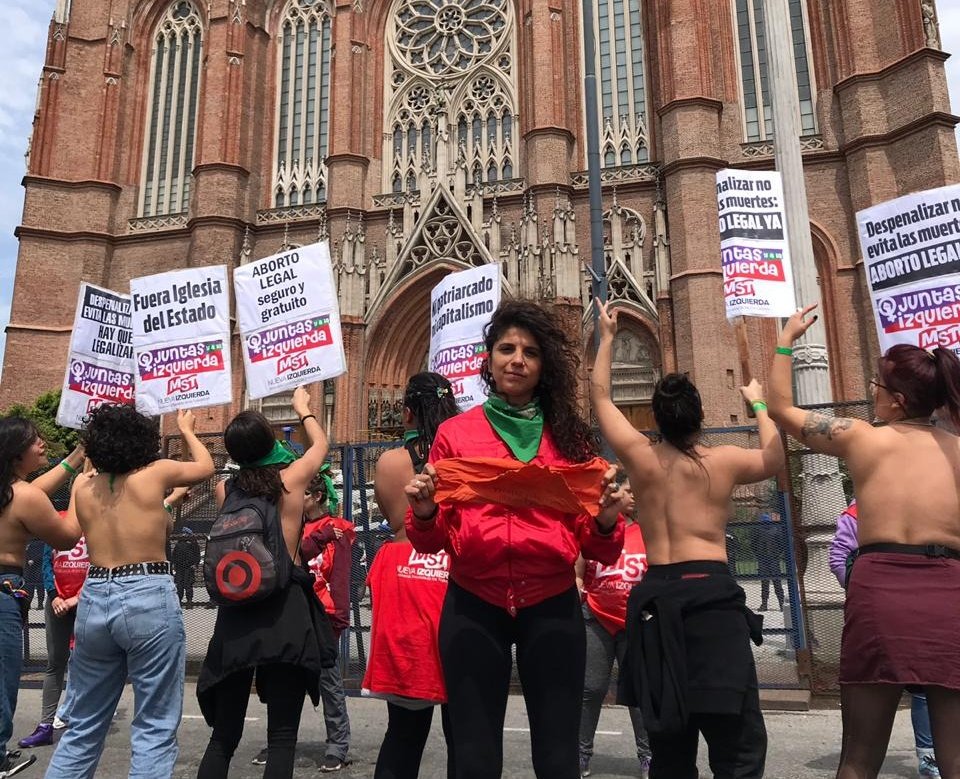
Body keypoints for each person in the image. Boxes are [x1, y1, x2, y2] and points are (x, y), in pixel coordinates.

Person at [405, 300, 631, 779]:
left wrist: (608, 520)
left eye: (530, 351)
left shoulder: (570, 439)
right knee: (471, 757)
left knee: (557, 756)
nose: (517, 359)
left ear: (543, 364)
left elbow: (599, 547)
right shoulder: (455, 434)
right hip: (473, 601)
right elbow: (434, 541)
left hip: (549, 602)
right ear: (488, 359)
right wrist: (423, 514)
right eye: (506, 348)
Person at [590, 299, 783, 779]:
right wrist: (757, 401)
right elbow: (775, 458)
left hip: (658, 595)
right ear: (698, 416)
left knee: (670, 747)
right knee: (737, 746)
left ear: (655, 418)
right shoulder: (723, 462)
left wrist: (608, 336)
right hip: (712, 597)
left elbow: (599, 400)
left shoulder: (643, 458)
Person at [768, 303, 960, 779]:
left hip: (881, 593)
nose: (871, 394)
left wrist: (786, 339)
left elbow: (778, 409)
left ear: (896, 400)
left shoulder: (862, 438)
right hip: (949, 593)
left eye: (876, 387)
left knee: (857, 760)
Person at [44, 406, 215, 779]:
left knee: (83, 725)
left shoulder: (82, 486)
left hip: (96, 591)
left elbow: (70, 533)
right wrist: (186, 430)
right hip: (147, 588)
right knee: (154, 724)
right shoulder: (155, 473)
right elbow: (206, 467)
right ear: (141, 440)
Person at [196, 386, 338, 779]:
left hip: (237, 616)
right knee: (282, 737)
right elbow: (322, 443)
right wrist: (303, 409)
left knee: (223, 738)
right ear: (271, 442)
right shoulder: (290, 482)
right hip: (285, 613)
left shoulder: (226, 490)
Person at [366, 371, 460, 779]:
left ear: (405, 412)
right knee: (465, 729)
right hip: (450, 568)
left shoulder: (388, 462)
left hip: (403, 569)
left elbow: (392, 514)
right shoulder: (458, 459)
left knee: (403, 730)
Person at [251, 467, 355, 772]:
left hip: (325, 613)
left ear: (317, 496)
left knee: (328, 681)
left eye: (303, 493)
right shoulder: (292, 526)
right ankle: (278, 742)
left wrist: (339, 612)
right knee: (285, 677)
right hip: (295, 612)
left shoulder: (339, 527)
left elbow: (329, 563)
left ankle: (338, 745)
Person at [829, 500, 940, 778]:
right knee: (874, 696)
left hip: (929, 608)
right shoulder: (862, 506)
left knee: (929, 688)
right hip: (881, 612)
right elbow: (838, 556)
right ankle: (928, 755)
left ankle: (928, 755)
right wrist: (865, 593)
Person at [0, 419, 83, 777]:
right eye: (36, 441)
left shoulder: (12, 490)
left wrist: (77, 456)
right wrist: (80, 491)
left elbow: (32, 490)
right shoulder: (26, 496)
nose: (44, 444)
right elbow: (66, 537)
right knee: (3, 677)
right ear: (18, 451)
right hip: (4, 589)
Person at [576, 477, 651, 778]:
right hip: (596, 615)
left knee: (641, 693)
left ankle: (648, 756)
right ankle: (580, 755)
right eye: (628, 490)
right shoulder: (595, 527)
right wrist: (577, 585)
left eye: (638, 491)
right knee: (590, 689)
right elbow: (578, 569)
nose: (633, 496)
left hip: (636, 621)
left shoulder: (647, 532)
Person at [17, 510, 90, 750]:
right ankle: (46, 725)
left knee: (88, 662)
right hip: (57, 602)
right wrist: (54, 595)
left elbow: (100, 562)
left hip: (88, 601)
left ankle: (84, 725)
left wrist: (78, 598)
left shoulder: (95, 519)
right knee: (55, 662)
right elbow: (47, 560)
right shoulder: (58, 519)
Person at [751, 511, 785, 611]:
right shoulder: (776, 529)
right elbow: (781, 544)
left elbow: (752, 544)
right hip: (773, 559)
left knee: (765, 583)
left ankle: (765, 604)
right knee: (776, 582)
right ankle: (781, 604)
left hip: (764, 559)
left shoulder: (758, 530)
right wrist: (777, 554)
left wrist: (758, 555)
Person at [171, 527, 201, 607]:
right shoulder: (179, 543)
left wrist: (195, 564)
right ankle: (179, 600)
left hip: (189, 567)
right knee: (179, 584)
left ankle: (189, 601)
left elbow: (197, 554)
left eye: (185, 533)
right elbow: (174, 555)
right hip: (180, 567)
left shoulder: (193, 543)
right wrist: (174, 564)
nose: (183, 534)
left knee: (188, 585)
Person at [23, 538, 46, 611]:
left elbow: (42, 554)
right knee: (29, 586)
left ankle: (40, 604)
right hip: (29, 567)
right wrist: (28, 559)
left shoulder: (42, 543)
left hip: (38, 567)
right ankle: (28, 603)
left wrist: (34, 560)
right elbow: (25, 552)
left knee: (39, 586)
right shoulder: (28, 542)